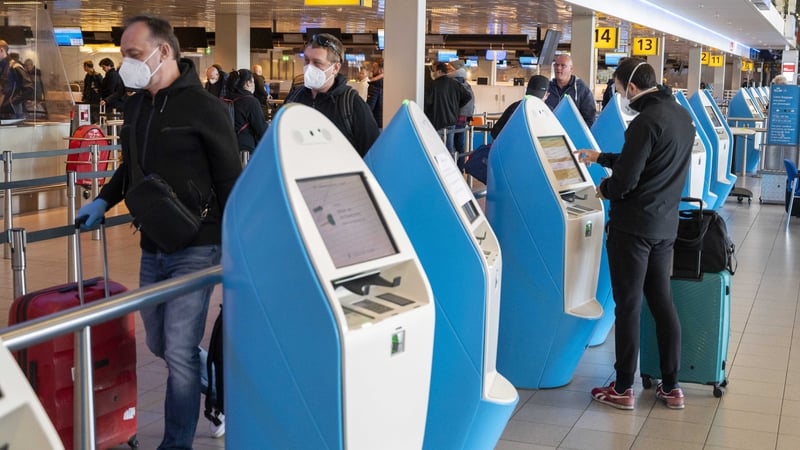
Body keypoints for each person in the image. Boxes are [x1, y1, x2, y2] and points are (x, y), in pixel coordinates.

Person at [76, 14, 242, 446]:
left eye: (133, 54)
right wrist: (103, 200)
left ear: (163, 51)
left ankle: (176, 442)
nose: (126, 63)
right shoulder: (137, 105)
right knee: (161, 345)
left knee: (181, 351)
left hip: (198, 244)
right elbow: (130, 167)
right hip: (154, 242)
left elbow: (229, 180)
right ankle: (219, 387)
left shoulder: (206, 109)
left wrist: (236, 243)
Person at [575, 58, 693, 411]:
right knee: (662, 303)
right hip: (664, 229)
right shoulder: (680, 117)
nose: (617, 93)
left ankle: (623, 387)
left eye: (616, 87)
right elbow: (646, 161)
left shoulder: (644, 121)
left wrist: (605, 189)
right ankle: (672, 387)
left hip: (633, 231)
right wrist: (600, 157)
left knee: (628, 306)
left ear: (630, 87)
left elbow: (627, 179)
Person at [284, 33, 379, 157]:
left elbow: (373, 154)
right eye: (307, 61)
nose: (309, 68)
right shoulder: (293, 99)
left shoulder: (352, 105)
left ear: (335, 68)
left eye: (317, 63)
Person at [424, 61, 472, 153]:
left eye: (434, 71)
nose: (433, 73)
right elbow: (467, 96)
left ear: (439, 71)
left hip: (437, 121)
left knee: (437, 148)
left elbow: (428, 103)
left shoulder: (433, 85)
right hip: (451, 121)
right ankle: (451, 165)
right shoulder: (455, 83)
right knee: (449, 147)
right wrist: (457, 106)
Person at [544, 54, 596, 126]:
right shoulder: (547, 88)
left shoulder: (582, 89)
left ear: (571, 69)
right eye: (556, 65)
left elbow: (590, 119)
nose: (558, 68)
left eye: (563, 65)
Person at [491, 74, 549, 139]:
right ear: (546, 95)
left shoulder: (515, 107)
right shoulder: (548, 113)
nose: (532, 100)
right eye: (531, 96)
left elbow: (495, 132)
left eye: (536, 97)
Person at [226, 68, 267, 157]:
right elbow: (261, 129)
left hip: (226, 147)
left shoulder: (224, 99)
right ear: (248, 83)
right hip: (244, 151)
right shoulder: (251, 101)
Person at [449, 60, 474, 168]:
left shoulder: (454, 83)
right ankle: (460, 168)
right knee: (459, 144)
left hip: (456, 116)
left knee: (451, 144)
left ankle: (454, 168)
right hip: (464, 117)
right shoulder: (466, 83)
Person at [0, 39, 34, 119]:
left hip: (13, 114)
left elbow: (29, 89)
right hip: (4, 113)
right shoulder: (2, 68)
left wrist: (11, 102)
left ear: (1, 50)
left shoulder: (15, 67)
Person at [366, 60, 384, 128]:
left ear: (380, 70)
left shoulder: (374, 85)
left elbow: (369, 108)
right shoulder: (386, 83)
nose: (372, 70)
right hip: (385, 122)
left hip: (376, 123)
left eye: (374, 68)